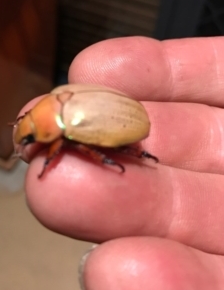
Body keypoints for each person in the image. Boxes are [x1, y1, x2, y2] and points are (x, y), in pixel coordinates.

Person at [14, 36, 224, 289]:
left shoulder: (66, 129)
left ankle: (130, 154)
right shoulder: (59, 96)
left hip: (125, 120)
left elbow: (69, 144)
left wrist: (51, 160)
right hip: (119, 109)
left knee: (85, 143)